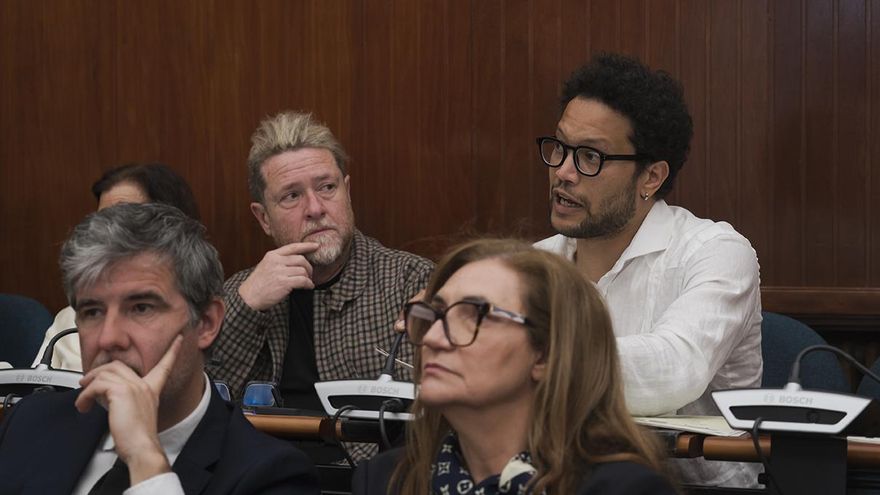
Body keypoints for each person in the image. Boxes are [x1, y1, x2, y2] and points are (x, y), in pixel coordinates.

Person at [534, 53, 762, 486]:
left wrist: (530, 357)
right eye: (560, 147)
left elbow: (675, 370)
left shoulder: (715, 252)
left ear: (651, 177)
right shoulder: (533, 266)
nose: (563, 172)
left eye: (590, 157)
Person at [0, 203, 319, 494]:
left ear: (206, 323)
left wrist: (144, 456)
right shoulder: (31, 422)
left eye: (141, 308)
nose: (109, 338)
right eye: (92, 312)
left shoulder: (271, 473)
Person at [352, 238, 677, 494]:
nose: (434, 338)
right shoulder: (385, 480)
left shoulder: (621, 488)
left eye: (474, 316)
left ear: (545, 355)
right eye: (434, 315)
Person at [209, 111, 433, 411]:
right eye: (292, 196)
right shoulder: (238, 293)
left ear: (347, 192)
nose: (315, 208)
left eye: (327, 187)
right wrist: (246, 308)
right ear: (264, 218)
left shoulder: (411, 281)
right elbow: (203, 404)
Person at [33, 162, 201, 371]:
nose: (110, 232)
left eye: (142, 308)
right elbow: (32, 385)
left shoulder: (194, 316)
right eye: (93, 313)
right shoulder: (68, 319)